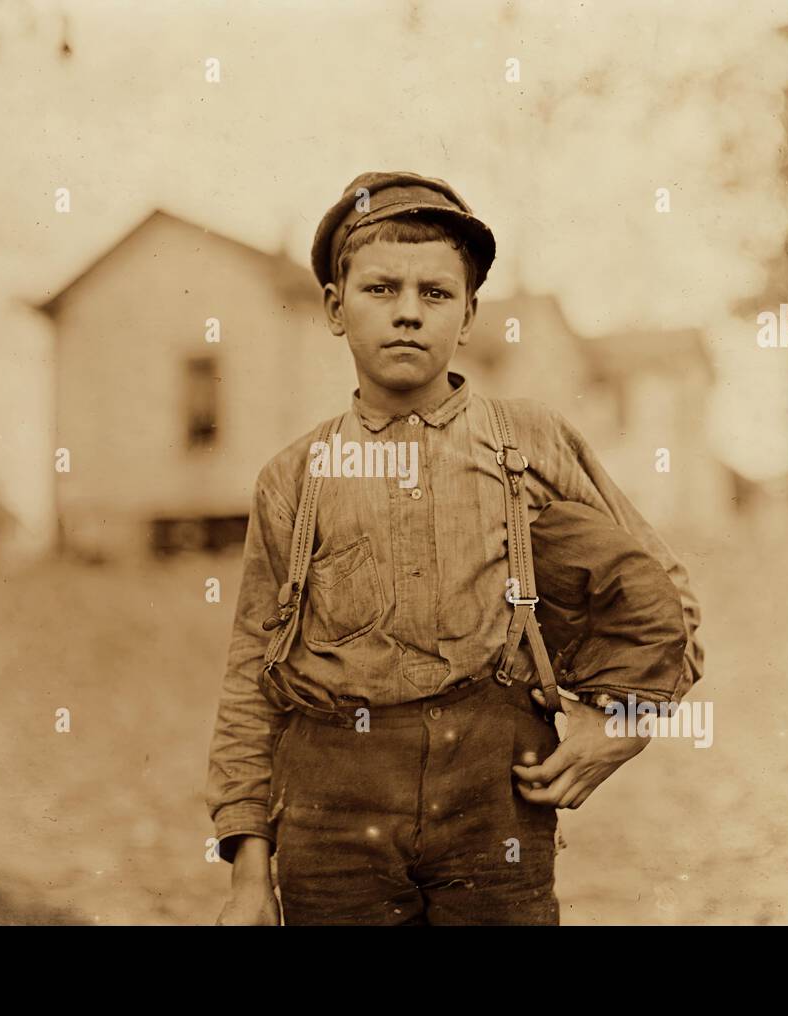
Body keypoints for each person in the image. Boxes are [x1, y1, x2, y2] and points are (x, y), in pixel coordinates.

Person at [206, 170, 705, 925]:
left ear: (469, 315)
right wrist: (248, 875)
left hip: (493, 802)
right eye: (381, 290)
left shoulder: (529, 439)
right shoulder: (293, 478)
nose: (408, 314)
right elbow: (251, 680)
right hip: (332, 816)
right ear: (335, 310)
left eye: (435, 294)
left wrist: (626, 723)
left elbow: (665, 597)